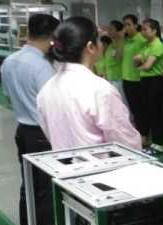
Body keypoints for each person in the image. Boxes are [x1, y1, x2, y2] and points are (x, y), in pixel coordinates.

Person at [1, 13, 59, 225]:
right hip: (41, 134)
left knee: (29, 191)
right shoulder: (42, 67)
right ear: (52, 37)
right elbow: (52, 105)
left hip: (23, 131)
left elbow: (7, 96)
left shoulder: (10, 61)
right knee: (45, 195)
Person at [37, 16, 140, 152]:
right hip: (99, 163)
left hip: (63, 162)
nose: (102, 44)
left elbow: (49, 131)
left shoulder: (47, 89)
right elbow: (126, 143)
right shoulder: (100, 90)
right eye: (99, 39)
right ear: (91, 47)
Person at [134, 18, 163, 154]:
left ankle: (159, 143)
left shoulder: (157, 45)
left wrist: (140, 64)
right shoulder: (146, 45)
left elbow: (147, 66)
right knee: (147, 112)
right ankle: (152, 142)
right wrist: (140, 63)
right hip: (145, 81)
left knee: (156, 112)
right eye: (142, 29)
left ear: (154, 31)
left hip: (155, 81)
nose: (143, 32)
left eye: (145, 29)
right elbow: (135, 61)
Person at [121, 14, 147, 146]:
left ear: (136, 25)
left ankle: (144, 136)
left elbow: (144, 57)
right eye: (124, 25)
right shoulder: (126, 40)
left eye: (129, 24)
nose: (126, 27)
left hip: (138, 79)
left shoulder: (141, 40)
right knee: (133, 110)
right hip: (126, 79)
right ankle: (137, 134)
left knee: (140, 110)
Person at [105, 20, 125, 100]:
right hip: (110, 78)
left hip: (119, 78)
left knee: (121, 102)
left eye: (111, 29)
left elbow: (118, 57)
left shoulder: (122, 43)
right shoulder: (111, 44)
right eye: (108, 29)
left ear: (118, 31)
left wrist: (121, 38)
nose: (108, 31)